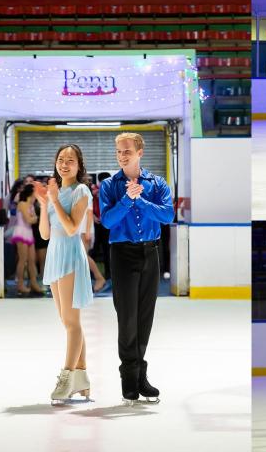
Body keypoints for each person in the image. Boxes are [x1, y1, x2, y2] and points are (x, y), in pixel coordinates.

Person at [99, 132, 174, 405]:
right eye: (119, 151)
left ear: (140, 152)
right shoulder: (109, 185)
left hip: (151, 253)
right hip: (122, 255)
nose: (122, 155)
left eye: (127, 150)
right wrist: (127, 200)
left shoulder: (157, 183)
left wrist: (140, 200)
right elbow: (107, 221)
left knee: (145, 318)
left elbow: (167, 215)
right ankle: (129, 379)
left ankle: (140, 375)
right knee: (127, 319)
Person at [34, 144, 94, 404]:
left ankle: (67, 376)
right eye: (61, 159)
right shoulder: (54, 192)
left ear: (79, 165)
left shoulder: (81, 190)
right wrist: (46, 203)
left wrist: (55, 200)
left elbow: (71, 229)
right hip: (55, 254)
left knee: (71, 322)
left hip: (70, 255)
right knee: (67, 321)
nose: (64, 164)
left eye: (70, 160)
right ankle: (81, 377)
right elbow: (45, 234)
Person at [12, 184, 45, 297]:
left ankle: (34, 283)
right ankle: (20, 284)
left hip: (29, 233)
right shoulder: (22, 204)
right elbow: (29, 220)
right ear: (32, 192)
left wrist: (34, 218)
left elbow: (33, 219)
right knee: (23, 260)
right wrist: (34, 218)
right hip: (21, 232)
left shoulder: (31, 205)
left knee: (32, 260)